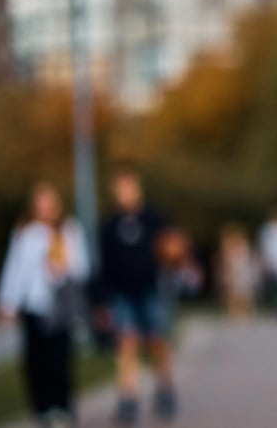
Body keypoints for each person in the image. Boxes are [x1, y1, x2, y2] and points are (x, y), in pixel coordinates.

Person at [0, 182, 89, 428]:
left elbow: (82, 268)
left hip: (60, 306)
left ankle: (63, 407)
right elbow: (14, 269)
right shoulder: (25, 232)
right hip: (34, 305)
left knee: (60, 360)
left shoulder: (69, 230)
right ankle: (42, 409)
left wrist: (63, 268)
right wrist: (8, 304)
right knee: (35, 362)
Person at [95, 164, 180, 426]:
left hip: (152, 290)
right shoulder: (109, 226)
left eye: (128, 187)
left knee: (157, 342)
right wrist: (101, 302)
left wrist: (175, 256)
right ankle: (128, 399)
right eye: (119, 188)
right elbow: (104, 266)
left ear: (137, 187)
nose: (124, 193)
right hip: (122, 294)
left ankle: (164, 389)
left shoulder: (155, 219)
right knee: (127, 344)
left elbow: (172, 249)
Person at [216, 223, 259, 321]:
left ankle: (244, 312)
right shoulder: (228, 245)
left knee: (243, 292)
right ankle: (235, 313)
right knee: (233, 292)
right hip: (235, 270)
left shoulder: (241, 244)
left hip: (241, 270)